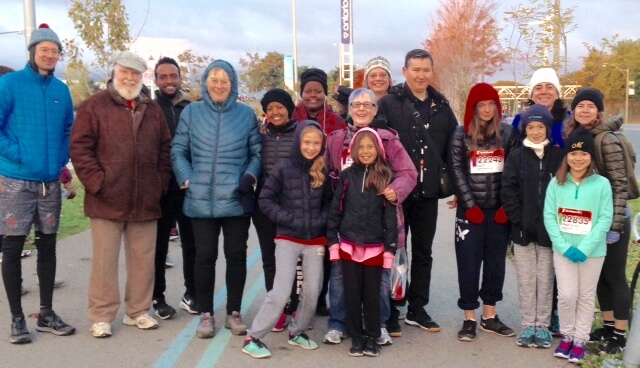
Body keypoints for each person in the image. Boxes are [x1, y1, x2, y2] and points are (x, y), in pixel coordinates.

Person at [70, 51, 172, 338]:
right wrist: (97, 183)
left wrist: (159, 182)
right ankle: (102, 315)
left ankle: (138, 311)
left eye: (135, 73)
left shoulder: (152, 110)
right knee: (104, 261)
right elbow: (80, 148)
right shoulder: (94, 106)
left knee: (143, 259)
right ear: (114, 72)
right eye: (124, 72)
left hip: (145, 199)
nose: (129, 78)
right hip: (106, 198)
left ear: (142, 77)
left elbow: (165, 150)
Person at [171, 60, 261, 338]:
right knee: (204, 257)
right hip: (201, 198)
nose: (219, 84)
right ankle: (206, 314)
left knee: (236, 256)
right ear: (205, 82)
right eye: (214, 79)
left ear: (233, 84)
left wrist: (249, 177)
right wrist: (187, 179)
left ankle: (234, 311)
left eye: (225, 80)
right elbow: (178, 150)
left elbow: (256, 153)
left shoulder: (246, 115)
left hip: (235, 199)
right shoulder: (192, 113)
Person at [0, 24, 76, 344]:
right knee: (13, 248)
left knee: (48, 246)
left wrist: (59, 159)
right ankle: (17, 318)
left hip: (49, 183)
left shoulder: (61, 90)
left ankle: (46, 312)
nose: (49, 55)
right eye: (44, 49)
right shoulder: (9, 84)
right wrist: (21, 156)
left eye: (55, 51)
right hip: (16, 181)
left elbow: (67, 131)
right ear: (32, 52)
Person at [323, 88, 416, 346]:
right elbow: (327, 173)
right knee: (340, 276)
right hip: (346, 223)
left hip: (380, 222)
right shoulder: (335, 139)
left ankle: (379, 324)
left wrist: (393, 191)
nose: (362, 109)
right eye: (356, 104)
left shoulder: (388, 140)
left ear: (375, 110)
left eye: (368, 104)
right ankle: (338, 323)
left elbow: (409, 173)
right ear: (349, 109)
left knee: (381, 278)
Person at [377, 49, 458, 334]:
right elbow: (377, 145)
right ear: (405, 71)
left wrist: (457, 187)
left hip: (428, 193)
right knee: (395, 251)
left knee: (423, 252)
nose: (421, 75)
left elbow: (453, 149)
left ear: (431, 72)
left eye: (426, 70)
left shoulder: (442, 106)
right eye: (416, 70)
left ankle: (417, 308)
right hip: (397, 193)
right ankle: (391, 308)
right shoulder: (389, 103)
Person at [242, 121, 331, 359]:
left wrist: (320, 221)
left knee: (313, 290)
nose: (311, 147)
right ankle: (254, 336)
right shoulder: (283, 169)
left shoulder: (323, 170)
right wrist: (288, 219)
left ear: (322, 145)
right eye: (306, 142)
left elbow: (330, 204)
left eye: (316, 143)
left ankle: (298, 331)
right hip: (287, 238)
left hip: (315, 240)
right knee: (281, 291)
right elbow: (265, 200)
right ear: (298, 142)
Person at [564, 88, 632, 354]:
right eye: (580, 105)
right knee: (601, 276)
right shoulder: (580, 136)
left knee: (615, 276)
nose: (585, 110)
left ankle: (620, 332)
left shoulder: (606, 140)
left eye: (591, 106)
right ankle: (606, 324)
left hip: (613, 219)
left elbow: (619, 185)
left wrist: (614, 226)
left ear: (598, 111)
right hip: (590, 220)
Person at [449, 82, 517, 341]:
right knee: (468, 264)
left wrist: (506, 207)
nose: (487, 110)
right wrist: (469, 206)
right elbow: (456, 170)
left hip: (499, 212)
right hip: (471, 212)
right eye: (481, 105)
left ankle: (490, 316)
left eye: (491, 104)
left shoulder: (508, 133)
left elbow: (512, 172)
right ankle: (469, 317)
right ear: (473, 107)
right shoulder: (460, 134)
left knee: (495, 264)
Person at [544, 127, 613, 364]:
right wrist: (564, 246)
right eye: (573, 154)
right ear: (566, 157)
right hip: (564, 250)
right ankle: (567, 335)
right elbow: (550, 217)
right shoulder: (556, 183)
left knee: (585, 296)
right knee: (566, 295)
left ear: (591, 157)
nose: (578, 158)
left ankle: (580, 340)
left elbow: (605, 218)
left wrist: (585, 247)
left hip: (592, 252)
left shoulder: (602, 184)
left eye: (584, 154)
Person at [327, 127, 398, 357]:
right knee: (352, 293)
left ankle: (372, 336)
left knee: (373, 295)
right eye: (361, 147)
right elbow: (335, 211)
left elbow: (390, 217)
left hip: (375, 249)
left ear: (378, 149)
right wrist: (333, 243)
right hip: (348, 247)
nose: (366, 151)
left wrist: (390, 249)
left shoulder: (386, 176)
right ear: (354, 150)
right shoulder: (346, 177)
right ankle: (356, 337)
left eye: (370, 147)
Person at [501, 104, 564, 348]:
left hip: (550, 232)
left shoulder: (558, 156)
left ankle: (543, 326)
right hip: (522, 230)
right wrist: (519, 219)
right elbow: (508, 191)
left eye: (540, 127)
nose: (536, 132)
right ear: (524, 129)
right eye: (530, 127)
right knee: (527, 279)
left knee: (546, 279)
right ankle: (528, 325)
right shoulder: (516, 156)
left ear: (548, 128)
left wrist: (553, 224)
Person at [151, 57, 197, 319]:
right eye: (163, 76)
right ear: (156, 80)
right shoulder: (150, 107)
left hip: (188, 186)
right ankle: (158, 297)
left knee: (191, 243)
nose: (169, 81)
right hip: (160, 188)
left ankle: (192, 293)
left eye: (173, 76)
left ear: (180, 78)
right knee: (159, 247)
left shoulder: (191, 108)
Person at [252, 88, 300, 332]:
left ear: (289, 109)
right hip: (265, 207)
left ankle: (294, 306)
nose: (275, 112)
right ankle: (278, 309)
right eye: (270, 108)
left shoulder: (300, 134)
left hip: (293, 206)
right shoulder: (261, 137)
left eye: (279, 107)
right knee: (270, 260)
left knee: (292, 260)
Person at [512, 68, 568, 148]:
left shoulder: (569, 121)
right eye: (538, 88)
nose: (544, 92)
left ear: (557, 94)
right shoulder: (519, 121)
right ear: (531, 95)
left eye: (549, 87)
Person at [292, 68, 346, 135]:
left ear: (325, 93)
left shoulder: (338, 122)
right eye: (308, 91)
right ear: (302, 94)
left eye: (318, 91)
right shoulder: (291, 119)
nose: (313, 95)